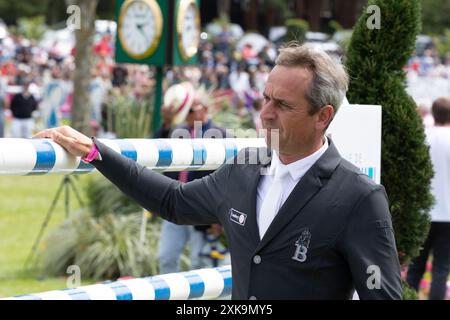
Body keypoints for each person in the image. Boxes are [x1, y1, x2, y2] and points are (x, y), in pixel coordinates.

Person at [34, 44, 402, 299]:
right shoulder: (243, 170)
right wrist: (96, 152)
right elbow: (172, 202)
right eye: (266, 98)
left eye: (283, 105)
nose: (266, 113)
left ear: (323, 116)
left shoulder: (359, 197)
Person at [155, 90, 225, 274]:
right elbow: (153, 148)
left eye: (191, 110)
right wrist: (167, 122)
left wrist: (218, 216)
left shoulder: (220, 134)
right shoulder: (179, 132)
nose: (187, 114)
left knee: (199, 264)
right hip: (175, 201)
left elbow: (226, 179)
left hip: (201, 209)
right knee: (166, 258)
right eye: (184, 110)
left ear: (205, 109)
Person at [406, 97, 450, 300]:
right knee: (441, 270)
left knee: (415, 268)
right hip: (447, 213)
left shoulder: (423, 136)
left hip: (423, 211)